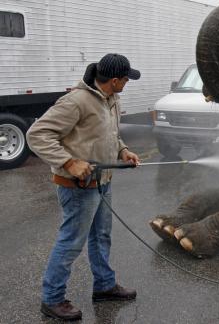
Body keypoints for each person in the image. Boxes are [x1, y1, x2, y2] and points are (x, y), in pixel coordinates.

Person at [27, 53, 142, 321]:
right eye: (126, 79)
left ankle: (104, 285)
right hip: (78, 186)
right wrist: (68, 162)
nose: (127, 82)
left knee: (101, 236)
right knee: (71, 242)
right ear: (114, 80)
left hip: (103, 182)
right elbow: (37, 135)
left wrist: (123, 150)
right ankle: (52, 299)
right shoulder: (76, 102)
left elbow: (109, 133)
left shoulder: (112, 99)